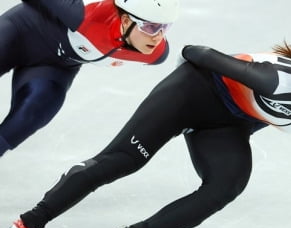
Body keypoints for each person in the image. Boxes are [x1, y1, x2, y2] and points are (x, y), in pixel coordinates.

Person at [0, 30, 291, 228]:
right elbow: (198, 53)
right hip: (191, 95)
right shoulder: (274, 80)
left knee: (225, 187)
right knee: (122, 161)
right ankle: (28, 225)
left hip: (228, 124)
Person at [0, 0, 179, 157]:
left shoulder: (156, 54)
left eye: (165, 27)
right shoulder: (85, 14)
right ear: (126, 20)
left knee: (35, 112)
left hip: (52, 68)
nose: (158, 37)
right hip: (19, 33)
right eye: (150, 26)